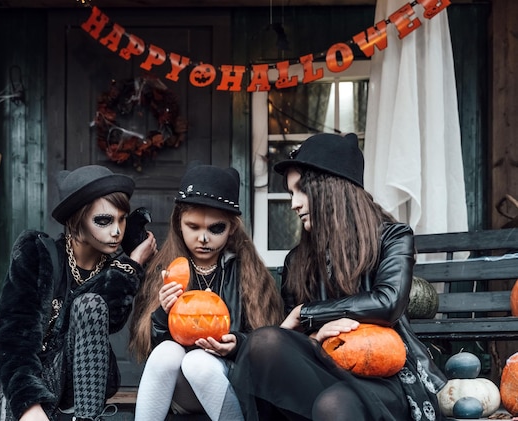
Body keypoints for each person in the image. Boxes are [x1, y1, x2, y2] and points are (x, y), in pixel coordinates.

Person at [228, 133, 449, 421]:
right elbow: (294, 338)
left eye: (300, 190)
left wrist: (307, 312)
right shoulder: (297, 259)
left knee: (333, 404)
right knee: (264, 342)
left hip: (382, 373)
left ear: (330, 189)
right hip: (323, 364)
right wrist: (315, 335)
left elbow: (388, 303)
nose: (293, 203)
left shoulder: (393, 238)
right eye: (290, 193)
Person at [0, 165, 157, 421]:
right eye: (104, 220)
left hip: (79, 392)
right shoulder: (38, 254)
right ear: (76, 220)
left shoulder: (115, 268)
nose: (116, 231)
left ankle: (88, 419)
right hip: (32, 383)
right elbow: (11, 338)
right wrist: (28, 405)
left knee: (90, 305)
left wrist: (132, 264)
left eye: (122, 219)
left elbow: (111, 319)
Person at [129, 162, 284, 421]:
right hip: (179, 389)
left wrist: (237, 344)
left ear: (232, 227)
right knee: (168, 353)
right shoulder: (165, 270)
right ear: (179, 223)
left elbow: (268, 343)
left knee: (197, 362)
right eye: (194, 227)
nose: (203, 238)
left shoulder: (248, 271)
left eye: (215, 228)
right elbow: (146, 347)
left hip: (228, 381)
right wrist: (161, 315)